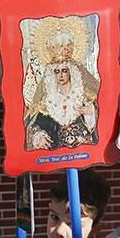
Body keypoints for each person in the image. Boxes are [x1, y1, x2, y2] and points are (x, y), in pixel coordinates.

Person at [24, 17, 100, 151]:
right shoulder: (46, 101)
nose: (60, 75)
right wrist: (38, 136)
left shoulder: (84, 96)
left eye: (64, 71)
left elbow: (104, 117)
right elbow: (33, 124)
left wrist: (91, 113)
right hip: (57, 153)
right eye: (56, 71)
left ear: (71, 72)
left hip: (84, 153)